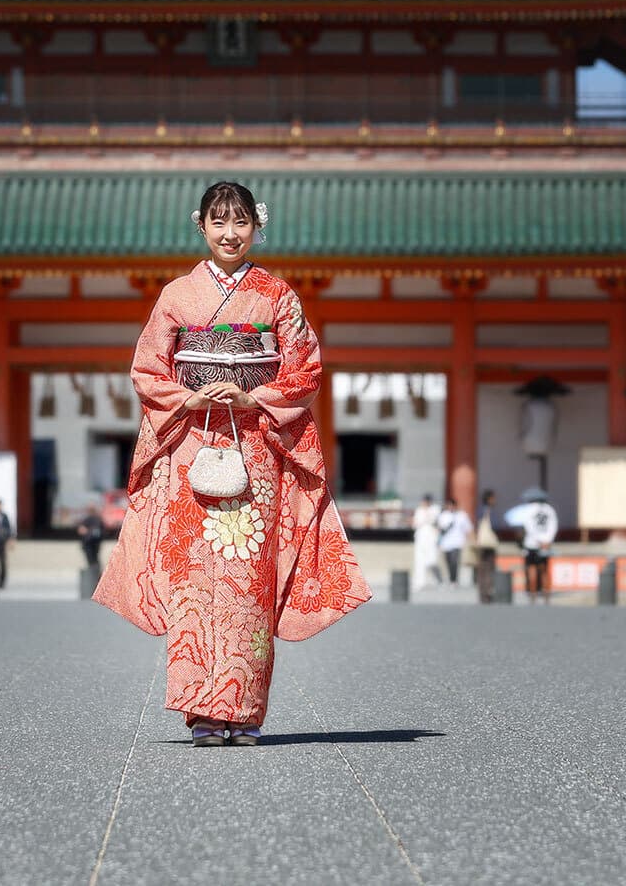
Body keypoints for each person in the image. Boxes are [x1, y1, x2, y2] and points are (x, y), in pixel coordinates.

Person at [94, 181, 370, 747]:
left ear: (256, 226)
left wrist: (256, 397)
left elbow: (306, 370)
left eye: (240, 222)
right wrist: (188, 397)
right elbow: (148, 369)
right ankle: (200, 711)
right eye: (218, 222)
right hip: (194, 442)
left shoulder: (278, 295)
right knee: (194, 576)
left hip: (258, 443)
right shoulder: (176, 295)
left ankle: (243, 711)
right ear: (201, 226)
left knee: (249, 577)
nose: (229, 233)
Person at [504, 486, 559, 605]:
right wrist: (547, 540)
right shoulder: (550, 510)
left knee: (532, 569)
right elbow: (553, 526)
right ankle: (546, 594)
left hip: (531, 544)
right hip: (546, 544)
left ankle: (532, 594)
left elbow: (529, 527)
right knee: (544, 570)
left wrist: (538, 540)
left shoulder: (528, 510)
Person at [472, 488, 502, 604]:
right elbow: (495, 526)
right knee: (489, 568)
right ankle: (489, 592)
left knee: (481, 569)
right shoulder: (491, 511)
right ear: (489, 499)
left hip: (481, 543)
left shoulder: (479, 510)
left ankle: (482, 594)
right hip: (489, 544)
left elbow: (476, 525)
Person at [436, 496, 472, 587]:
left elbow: (468, 528)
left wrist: (470, 540)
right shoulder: (443, 516)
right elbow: (440, 529)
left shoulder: (462, 515)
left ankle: (454, 580)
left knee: (454, 561)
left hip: (457, 542)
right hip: (446, 543)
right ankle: (451, 578)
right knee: (448, 561)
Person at [412, 492, 443, 588]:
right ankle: (419, 582)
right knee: (419, 561)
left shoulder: (435, 509)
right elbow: (416, 523)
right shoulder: (419, 510)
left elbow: (433, 519)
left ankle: (439, 580)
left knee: (431, 560)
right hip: (420, 538)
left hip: (431, 538)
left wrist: (426, 511)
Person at [76, 505, 106, 571]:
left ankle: (94, 571)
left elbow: (81, 530)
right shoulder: (95, 519)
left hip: (91, 543)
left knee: (93, 559)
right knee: (93, 559)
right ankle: (95, 571)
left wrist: (87, 532)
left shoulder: (93, 519)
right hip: (91, 543)